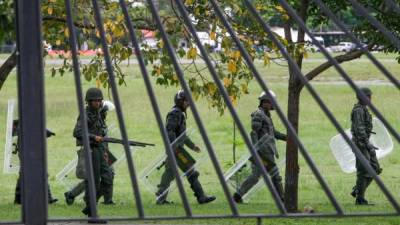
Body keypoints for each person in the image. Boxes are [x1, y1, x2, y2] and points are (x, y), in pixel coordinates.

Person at [155, 90, 216, 205]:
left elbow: (182, 136)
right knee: (191, 171)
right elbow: (170, 131)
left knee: (169, 173)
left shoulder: (179, 113)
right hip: (176, 150)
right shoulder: (175, 113)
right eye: (186, 101)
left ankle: (160, 198)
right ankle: (201, 197)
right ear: (180, 101)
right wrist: (174, 148)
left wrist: (192, 146)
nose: (188, 103)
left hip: (175, 149)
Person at [233, 91, 287, 203]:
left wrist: (286, 137)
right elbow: (254, 133)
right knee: (272, 175)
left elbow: (273, 132)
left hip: (268, 150)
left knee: (259, 176)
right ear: (266, 102)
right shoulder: (259, 114)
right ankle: (282, 198)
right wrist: (255, 150)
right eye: (271, 102)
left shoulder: (266, 115)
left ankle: (238, 195)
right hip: (262, 152)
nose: (273, 105)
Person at [73, 87, 113, 221]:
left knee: (108, 178)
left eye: (100, 100)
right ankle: (93, 214)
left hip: (100, 150)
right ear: (89, 102)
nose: (99, 102)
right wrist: (93, 137)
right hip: (91, 151)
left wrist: (105, 151)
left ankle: (90, 207)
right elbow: (77, 132)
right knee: (94, 183)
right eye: (96, 100)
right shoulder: (85, 115)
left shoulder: (98, 113)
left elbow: (101, 132)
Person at [12, 119, 58, 204]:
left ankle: (18, 199)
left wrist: (48, 132)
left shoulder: (28, 120)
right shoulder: (21, 123)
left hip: (32, 152)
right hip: (27, 153)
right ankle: (47, 198)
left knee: (27, 175)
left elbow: (38, 129)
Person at [350, 87, 382, 205]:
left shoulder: (363, 109)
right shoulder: (358, 110)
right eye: (369, 97)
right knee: (363, 171)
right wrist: (368, 144)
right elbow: (359, 130)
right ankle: (360, 198)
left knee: (375, 168)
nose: (370, 99)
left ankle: (358, 190)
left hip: (364, 143)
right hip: (360, 144)